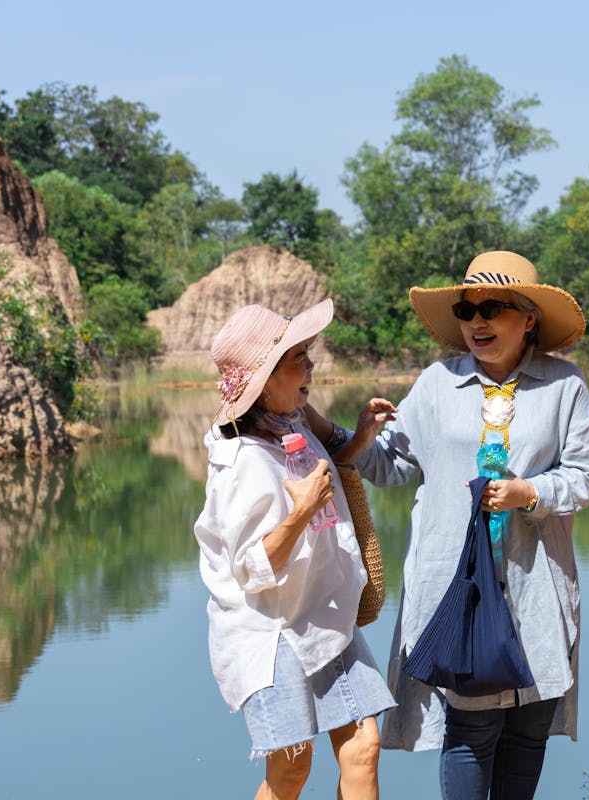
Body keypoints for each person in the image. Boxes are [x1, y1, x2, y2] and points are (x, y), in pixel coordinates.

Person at [349, 251, 589, 800]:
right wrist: (359, 435)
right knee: (469, 729)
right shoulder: (437, 384)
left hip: (537, 585)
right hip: (459, 589)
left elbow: (586, 477)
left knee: (531, 726)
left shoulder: (565, 386)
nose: (476, 322)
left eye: (493, 307)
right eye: (467, 310)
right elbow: (392, 467)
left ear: (529, 319)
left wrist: (528, 492)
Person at [194, 299, 397, 800]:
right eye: (297, 358)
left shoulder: (293, 423)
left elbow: (325, 469)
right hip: (272, 632)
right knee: (291, 771)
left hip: (323, 610)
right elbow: (253, 569)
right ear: (264, 382)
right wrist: (301, 513)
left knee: (363, 746)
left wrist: (361, 439)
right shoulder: (242, 459)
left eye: (308, 353)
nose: (311, 365)